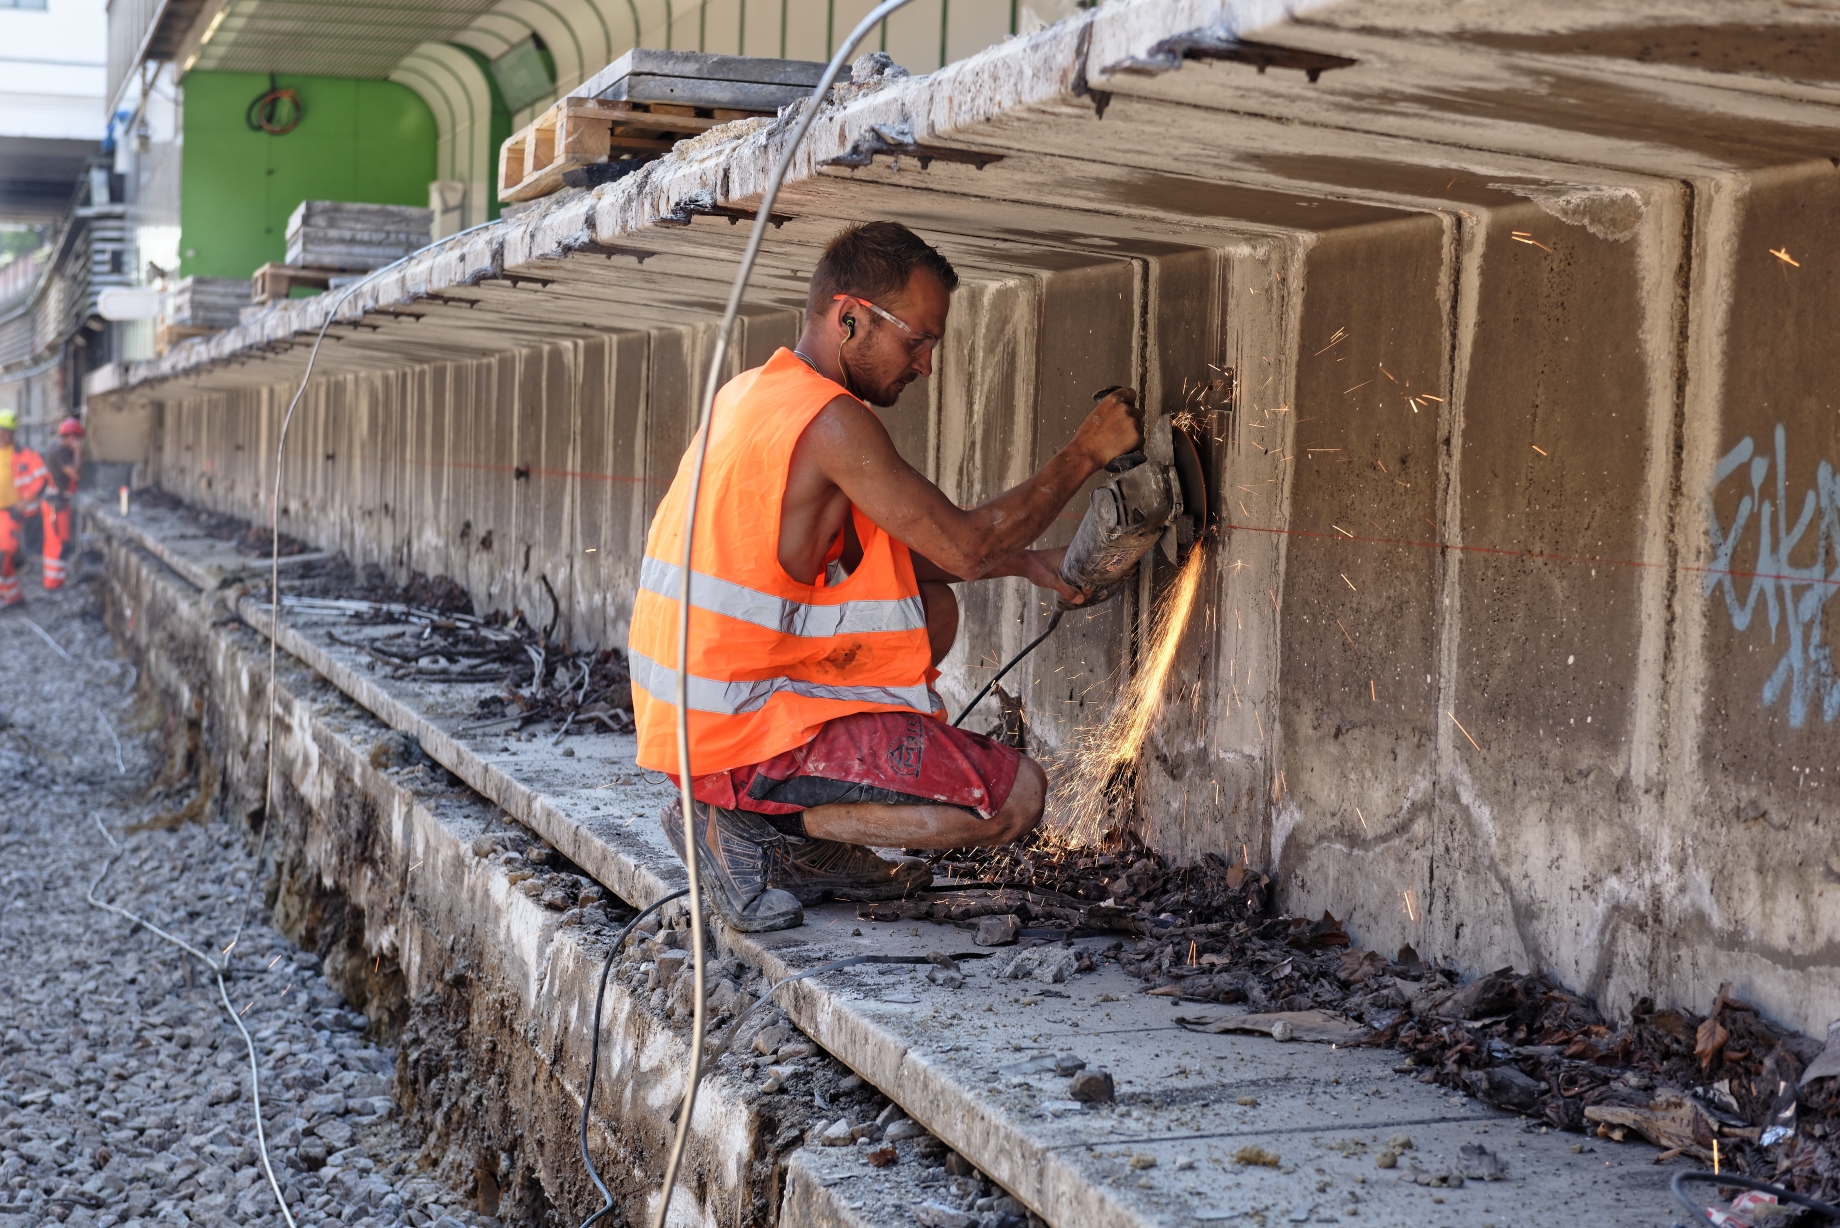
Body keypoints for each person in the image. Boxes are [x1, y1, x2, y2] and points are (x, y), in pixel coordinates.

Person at [628, 221, 1143, 931]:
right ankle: (753, 831)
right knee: (1012, 799)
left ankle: (768, 826)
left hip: (696, 721)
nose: (926, 364)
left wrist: (1026, 563)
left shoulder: (755, 394)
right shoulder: (833, 424)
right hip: (739, 736)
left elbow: (910, 554)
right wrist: (1085, 452)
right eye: (918, 340)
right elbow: (965, 545)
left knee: (933, 611)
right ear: (849, 319)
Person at [0, 410, 51, 607]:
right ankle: (14, 597)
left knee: (3, 554)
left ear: (13, 433)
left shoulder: (25, 455)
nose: (2, 434)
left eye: (6, 431)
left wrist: (24, 500)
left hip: (11, 512)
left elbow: (42, 478)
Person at [42, 417, 82, 591]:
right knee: (56, 544)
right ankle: (52, 583)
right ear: (72, 437)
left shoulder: (62, 451)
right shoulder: (59, 452)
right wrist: (78, 452)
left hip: (60, 502)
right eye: (77, 438)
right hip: (55, 504)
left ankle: (58, 580)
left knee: (62, 543)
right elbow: (75, 474)